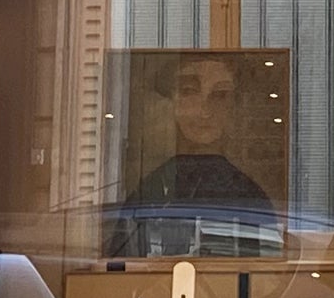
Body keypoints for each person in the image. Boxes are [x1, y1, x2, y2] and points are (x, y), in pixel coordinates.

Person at [112, 50, 282, 256]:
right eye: (189, 91)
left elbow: (263, 269)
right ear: (173, 101)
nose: (204, 111)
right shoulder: (150, 191)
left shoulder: (248, 195)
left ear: (234, 107)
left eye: (220, 95)